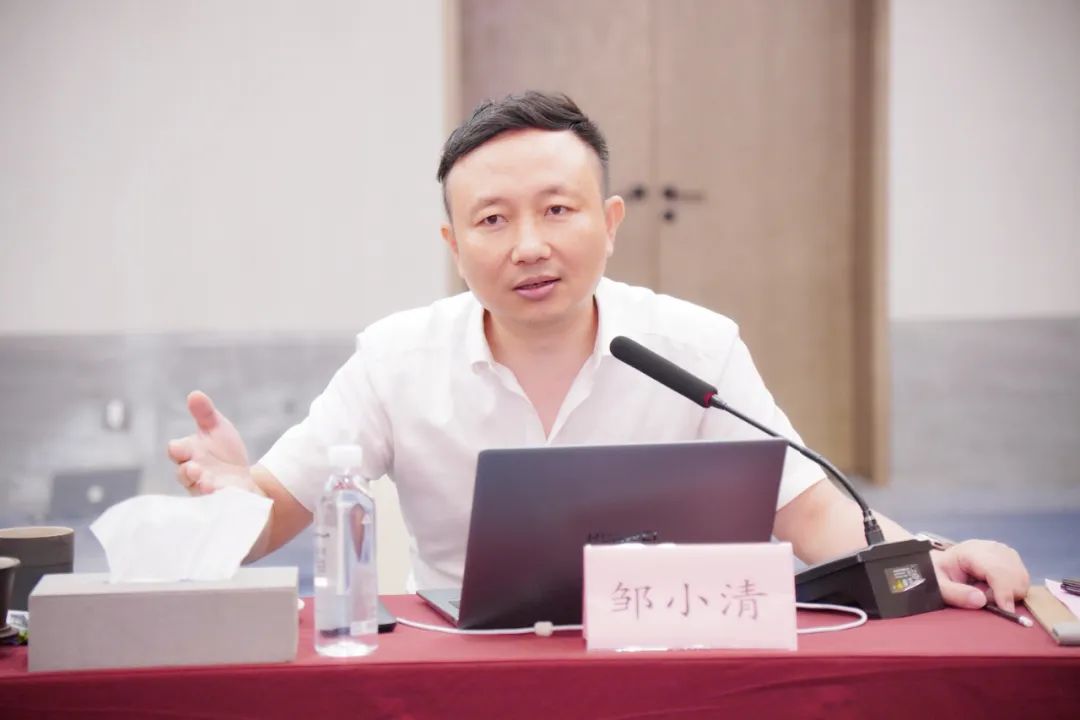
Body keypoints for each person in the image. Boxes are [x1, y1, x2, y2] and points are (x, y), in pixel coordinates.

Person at [168, 91, 1029, 612]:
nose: (529, 246)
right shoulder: (395, 359)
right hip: (467, 668)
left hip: (673, 660)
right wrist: (234, 496)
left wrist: (929, 559)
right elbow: (274, 511)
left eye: (558, 210)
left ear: (609, 223)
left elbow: (807, 512)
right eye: (492, 220)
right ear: (454, 244)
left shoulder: (695, 345)